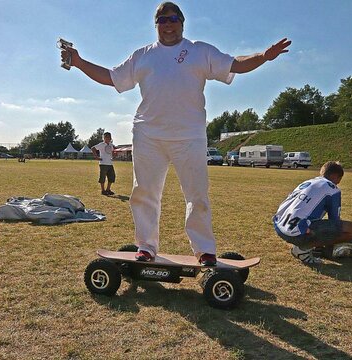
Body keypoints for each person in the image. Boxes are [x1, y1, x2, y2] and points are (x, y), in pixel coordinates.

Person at [61, 2, 291, 265]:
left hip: (189, 136)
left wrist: (262, 57)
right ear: (156, 25)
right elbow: (112, 77)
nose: (168, 24)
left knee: (197, 195)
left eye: (173, 19)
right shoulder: (143, 55)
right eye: (162, 20)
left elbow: (234, 64)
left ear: (182, 22)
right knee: (144, 192)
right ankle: (146, 247)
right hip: (148, 135)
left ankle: (204, 250)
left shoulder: (199, 51)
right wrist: (78, 62)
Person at [273, 161, 352, 264]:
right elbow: (335, 220)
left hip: (279, 227)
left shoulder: (308, 183)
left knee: (316, 222)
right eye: (339, 180)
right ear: (336, 176)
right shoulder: (332, 189)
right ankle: (303, 249)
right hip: (297, 233)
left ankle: (307, 245)